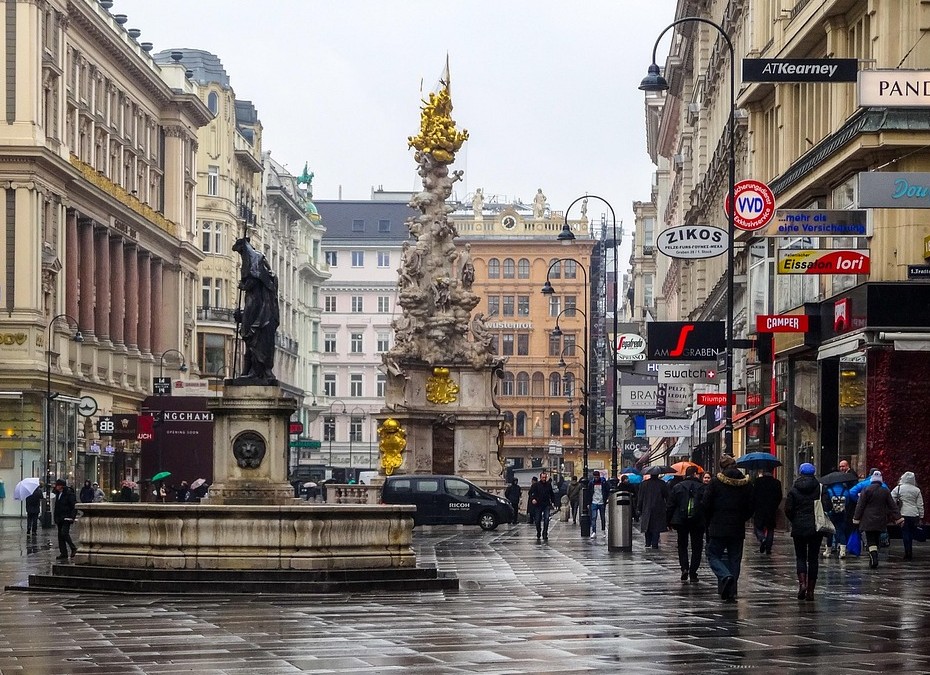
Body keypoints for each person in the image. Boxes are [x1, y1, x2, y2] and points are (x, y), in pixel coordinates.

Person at [703, 454, 754, 602]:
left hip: (718, 526)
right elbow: (751, 506)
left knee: (712, 555)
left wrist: (710, 519)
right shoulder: (746, 483)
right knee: (735, 559)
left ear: (722, 467)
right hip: (737, 527)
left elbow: (706, 504)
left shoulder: (715, 483)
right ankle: (730, 592)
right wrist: (742, 518)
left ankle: (725, 576)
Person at [232, 237, 280, 381]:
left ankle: (255, 371)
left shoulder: (260, 294)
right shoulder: (261, 290)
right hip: (256, 312)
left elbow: (253, 279)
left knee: (255, 343)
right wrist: (241, 315)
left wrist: (243, 286)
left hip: (260, 316)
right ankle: (248, 371)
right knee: (250, 344)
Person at [784, 463, 831, 600]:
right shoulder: (821, 488)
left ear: (800, 473)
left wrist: (795, 520)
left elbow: (788, 509)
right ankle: (810, 591)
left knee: (800, 557)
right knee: (813, 559)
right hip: (816, 527)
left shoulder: (794, 489)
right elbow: (827, 506)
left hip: (799, 527)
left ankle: (802, 584)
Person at [853, 470, 903, 569]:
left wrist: (856, 518)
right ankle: (874, 555)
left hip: (868, 520)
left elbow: (860, 506)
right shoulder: (885, 491)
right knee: (876, 539)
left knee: (870, 539)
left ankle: (874, 557)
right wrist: (898, 518)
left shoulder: (866, 489)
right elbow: (892, 506)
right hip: (880, 519)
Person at [668, 466, 705, 581]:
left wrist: (668, 520)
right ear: (695, 474)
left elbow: (671, 505)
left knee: (682, 545)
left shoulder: (678, 487)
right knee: (697, 546)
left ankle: (684, 568)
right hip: (698, 521)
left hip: (681, 521)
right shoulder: (702, 487)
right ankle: (693, 571)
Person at [891, 471, 925, 561]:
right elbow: (920, 504)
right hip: (914, 514)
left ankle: (908, 552)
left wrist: (894, 512)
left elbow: (891, 500)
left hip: (903, 514)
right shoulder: (916, 490)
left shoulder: (898, 488)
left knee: (905, 532)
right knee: (911, 531)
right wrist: (921, 516)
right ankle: (910, 549)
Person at [753, 469, 783, 555]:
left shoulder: (758, 481)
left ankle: (762, 539)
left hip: (759, 508)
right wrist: (775, 506)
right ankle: (768, 548)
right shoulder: (776, 482)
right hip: (771, 509)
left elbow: (753, 494)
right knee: (770, 529)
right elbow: (779, 496)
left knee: (758, 527)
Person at [638, 472, 670, 549]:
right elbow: (667, 496)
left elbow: (640, 497)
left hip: (646, 507)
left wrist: (639, 508)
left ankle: (648, 542)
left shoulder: (644, 484)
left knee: (647, 526)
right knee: (656, 527)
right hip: (658, 507)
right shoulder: (662, 483)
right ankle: (655, 543)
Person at [824, 479, 853, 558]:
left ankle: (828, 551)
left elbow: (826, 502)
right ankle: (842, 551)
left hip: (831, 513)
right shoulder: (846, 491)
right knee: (841, 531)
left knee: (830, 531)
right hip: (842, 513)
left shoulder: (829, 490)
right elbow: (847, 502)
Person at [528, 472, 558, 542]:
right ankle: (539, 531)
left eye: (545, 477)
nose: (544, 479)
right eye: (543, 477)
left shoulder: (548, 485)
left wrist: (554, 502)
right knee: (537, 520)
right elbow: (530, 493)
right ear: (540, 477)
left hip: (546, 504)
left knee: (546, 519)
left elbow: (551, 494)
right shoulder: (536, 485)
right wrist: (533, 499)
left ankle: (545, 533)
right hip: (538, 505)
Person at [52, 479, 77, 560]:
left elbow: (74, 506)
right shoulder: (59, 494)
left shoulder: (69, 494)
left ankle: (73, 548)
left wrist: (72, 517)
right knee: (60, 536)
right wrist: (56, 518)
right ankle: (63, 553)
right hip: (60, 518)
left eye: (57, 485)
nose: (56, 487)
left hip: (67, 517)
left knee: (64, 533)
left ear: (61, 486)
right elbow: (57, 507)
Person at [588, 471, 609, 538]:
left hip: (601, 502)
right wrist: (589, 502)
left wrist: (606, 499)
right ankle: (594, 531)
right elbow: (589, 493)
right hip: (594, 502)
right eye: (595, 477)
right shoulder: (591, 483)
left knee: (602, 517)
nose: (596, 478)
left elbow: (607, 490)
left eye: (597, 477)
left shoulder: (603, 482)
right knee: (594, 517)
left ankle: (603, 530)